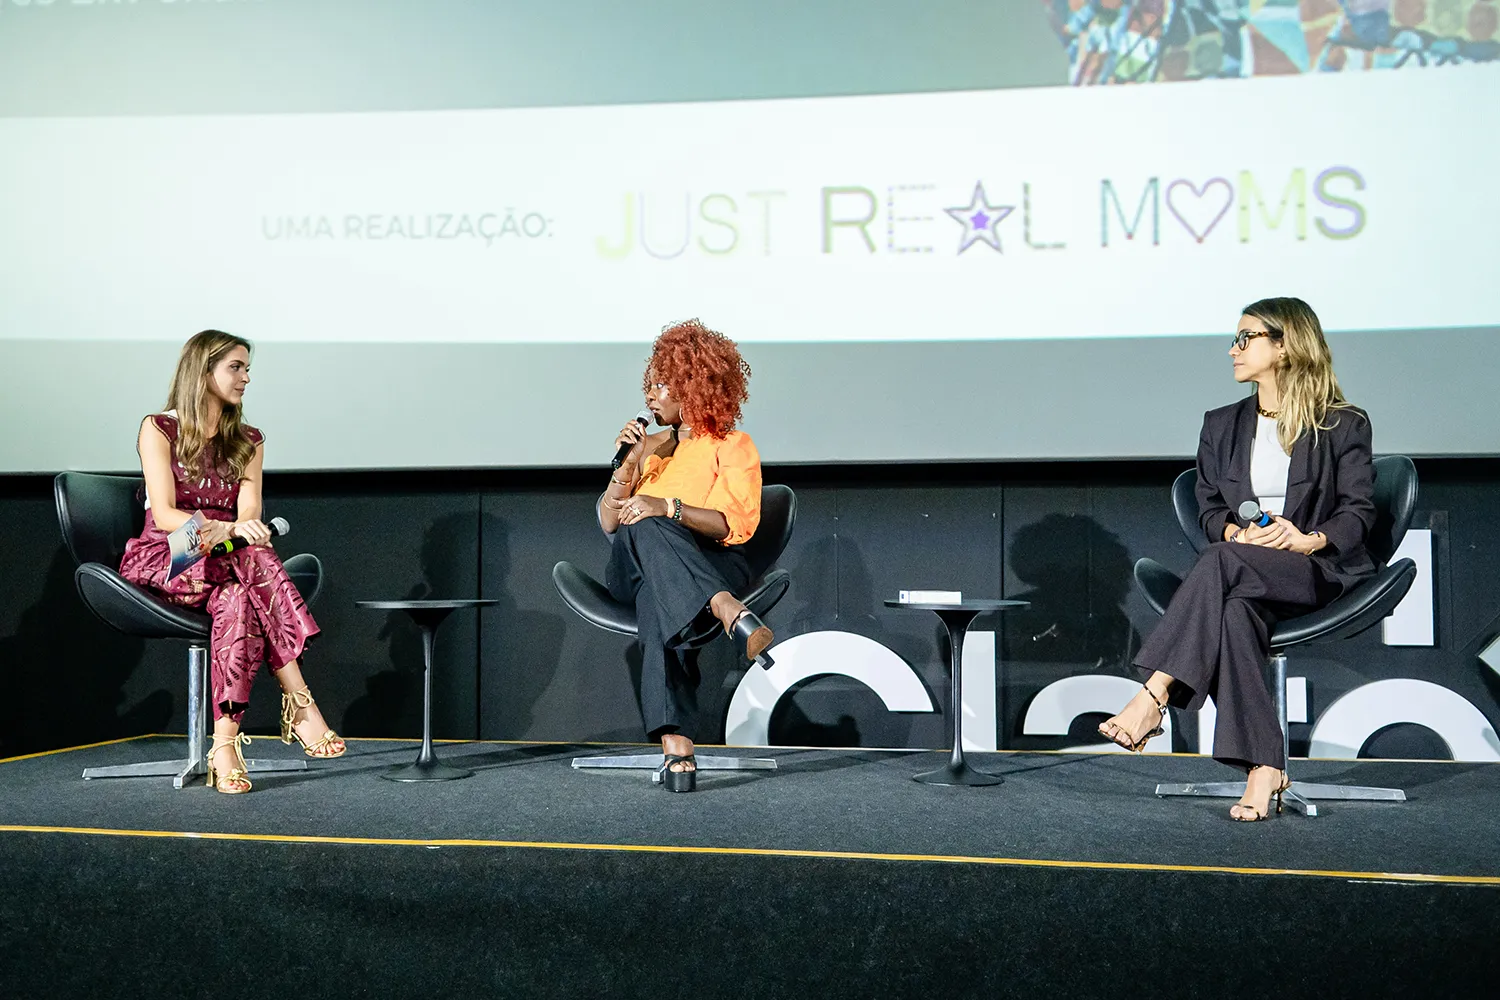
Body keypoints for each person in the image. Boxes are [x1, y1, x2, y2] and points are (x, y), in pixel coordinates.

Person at [1097, 297, 1376, 821]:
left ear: (1284, 345)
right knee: (1232, 610)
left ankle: (1153, 695)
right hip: (1244, 571)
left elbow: (1358, 511)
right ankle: (1264, 768)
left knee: (1220, 562)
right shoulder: (1221, 424)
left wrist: (1307, 539)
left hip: (1314, 571)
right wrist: (1234, 531)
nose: (1233, 349)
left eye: (1246, 338)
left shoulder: (1342, 424)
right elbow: (1208, 507)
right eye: (1235, 339)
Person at [119, 330, 344, 794]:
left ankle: (224, 746)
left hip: (228, 560)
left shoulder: (249, 440)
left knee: (239, 597)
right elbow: (165, 514)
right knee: (250, 556)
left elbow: (249, 514)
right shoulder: (158, 428)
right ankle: (299, 700)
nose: (246, 378)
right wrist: (220, 529)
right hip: (168, 551)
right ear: (203, 371)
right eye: (236, 367)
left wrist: (238, 531)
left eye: (247, 368)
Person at [601, 319, 769, 793]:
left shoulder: (732, 446)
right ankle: (724, 606)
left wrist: (668, 507)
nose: (650, 395)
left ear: (694, 387)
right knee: (642, 523)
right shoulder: (652, 449)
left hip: (704, 560)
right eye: (651, 384)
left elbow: (732, 525)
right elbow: (609, 522)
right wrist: (628, 465)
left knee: (658, 596)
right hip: (633, 565)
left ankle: (677, 747)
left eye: (662, 385)